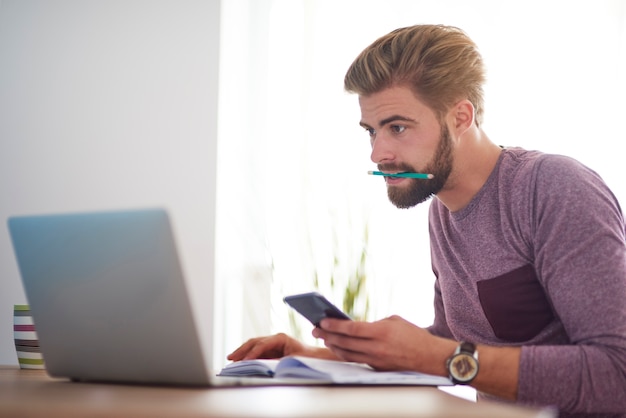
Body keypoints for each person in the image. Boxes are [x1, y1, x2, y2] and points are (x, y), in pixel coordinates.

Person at [227, 24, 626, 417]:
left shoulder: (553, 187)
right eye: (372, 132)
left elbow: (617, 375)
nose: (378, 154)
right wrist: (319, 357)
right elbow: (453, 344)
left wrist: (440, 355)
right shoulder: (442, 208)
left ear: (461, 117)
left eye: (398, 127)